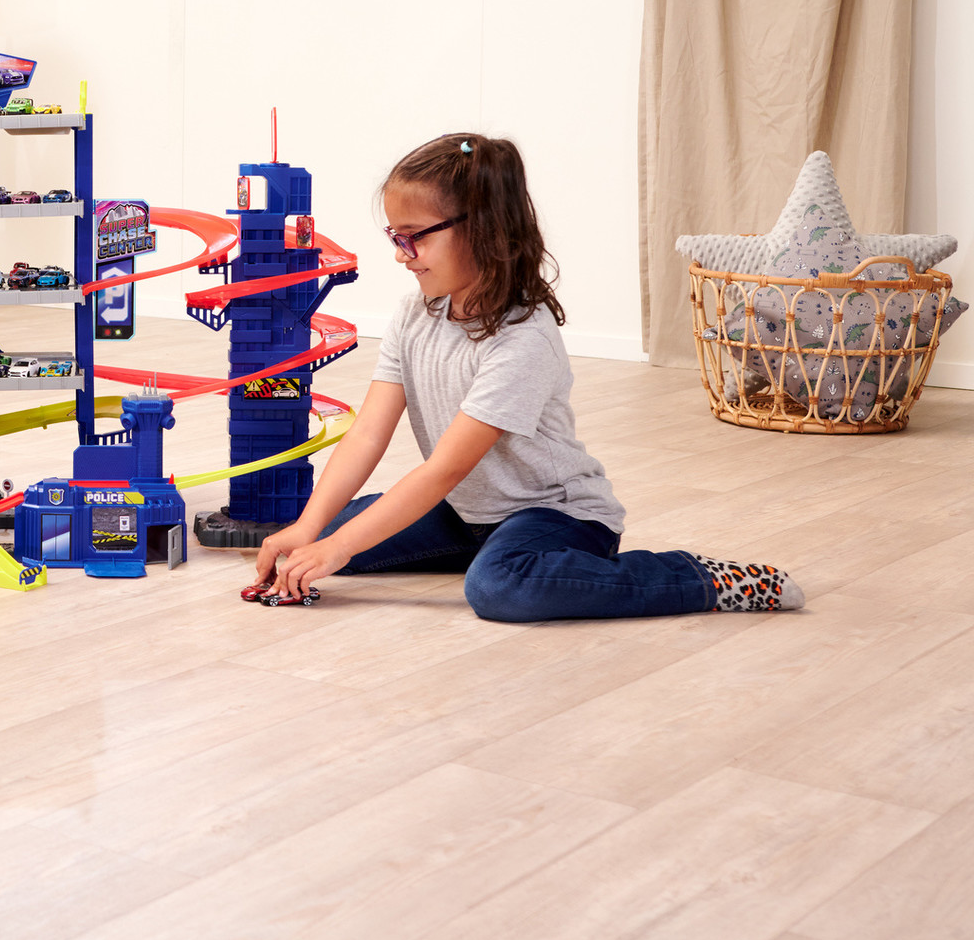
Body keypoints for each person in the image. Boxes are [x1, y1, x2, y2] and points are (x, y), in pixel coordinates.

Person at [253, 134, 801, 620]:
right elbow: (368, 434)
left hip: (555, 514)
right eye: (396, 237)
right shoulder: (412, 315)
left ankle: (699, 579)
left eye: (413, 236)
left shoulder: (523, 339)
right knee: (326, 534)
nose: (402, 255)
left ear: (482, 230)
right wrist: (311, 530)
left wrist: (339, 547)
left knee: (498, 588)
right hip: (467, 512)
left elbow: (444, 469)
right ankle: (491, 551)